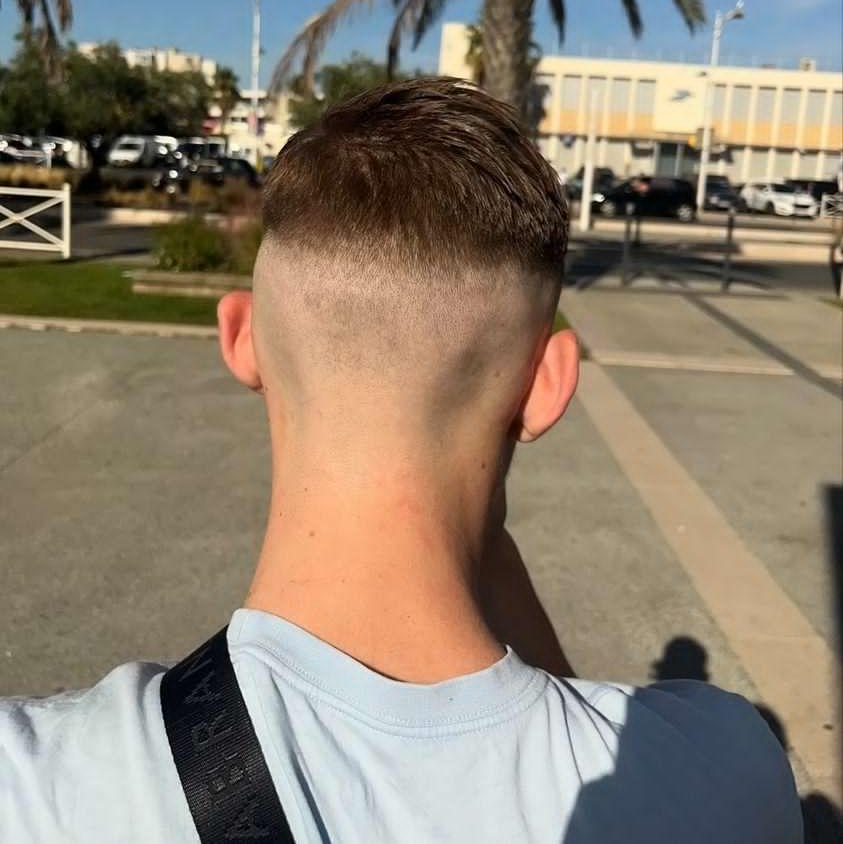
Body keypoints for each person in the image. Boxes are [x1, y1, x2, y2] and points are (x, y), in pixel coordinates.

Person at [1, 78, 801, 843]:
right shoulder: (728, 773)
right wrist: (481, 530)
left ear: (241, 339)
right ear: (548, 385)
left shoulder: (34, 787)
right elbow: (585, 737)